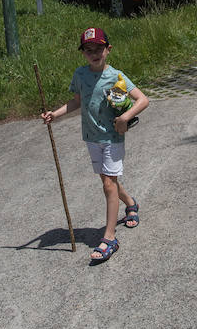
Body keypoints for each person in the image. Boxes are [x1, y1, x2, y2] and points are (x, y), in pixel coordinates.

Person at [41, 26, 150, 263]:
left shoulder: (116, 76)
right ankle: (131, 204)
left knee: (109, 184)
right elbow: (76, 102)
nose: (94, 53)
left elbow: (143, 100)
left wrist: (124, 118)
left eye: (98, 48)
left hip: (112, 137)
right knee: (107, 180)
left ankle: (109, 237)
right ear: (83, 53)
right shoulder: (80, 75)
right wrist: (55, 114)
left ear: (108, 50)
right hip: (91, 137)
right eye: (88, 50)